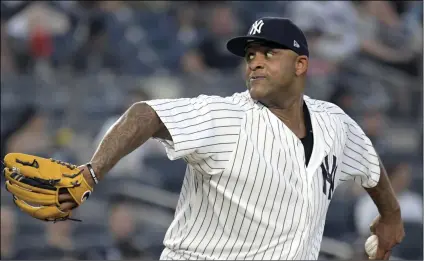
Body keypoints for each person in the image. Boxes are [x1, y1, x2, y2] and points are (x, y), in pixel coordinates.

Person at [4, 17, 404, 260]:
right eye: (250, 54)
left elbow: (368, 166)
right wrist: (89, 174)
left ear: (301, 65)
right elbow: (146, 114)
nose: (256, 61)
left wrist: (390, 216)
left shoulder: (334, 122)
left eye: (269, 53)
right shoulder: (227, 116)